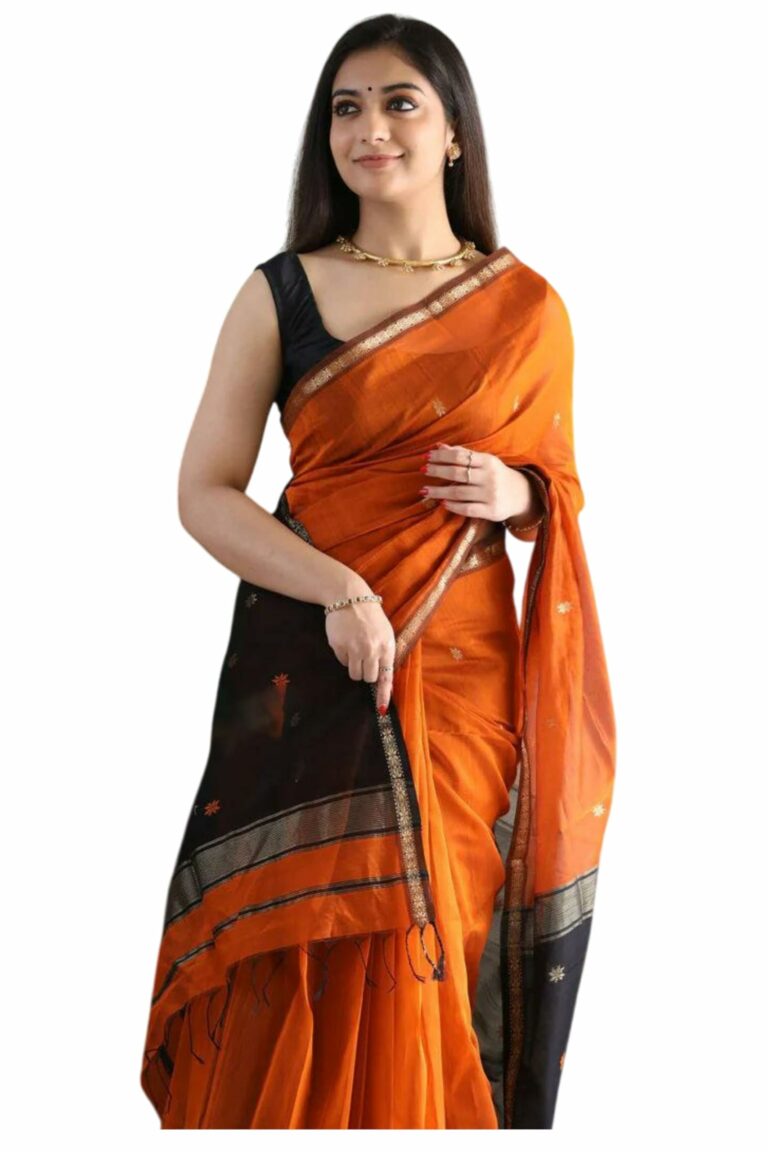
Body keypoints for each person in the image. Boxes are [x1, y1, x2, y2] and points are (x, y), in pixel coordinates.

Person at [140, 13, 616, 1130]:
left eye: (401, 102)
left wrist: (521, 495)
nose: (370, 129)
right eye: (345, 108)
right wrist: (341, 591)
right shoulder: (281, 293)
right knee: (302, 942)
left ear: (454, 133)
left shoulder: (526, 307)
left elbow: (559, 488)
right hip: (313, 664)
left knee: (436, 929)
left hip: (462, 674)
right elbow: (204, 492)